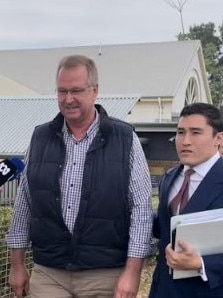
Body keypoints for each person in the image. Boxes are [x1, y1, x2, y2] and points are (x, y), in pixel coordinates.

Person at [6, 54, 153, 298]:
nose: (68, 99)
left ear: (95, 91)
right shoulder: (40, 137)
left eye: (76, 90)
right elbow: (25, 203)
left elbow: (141, 210)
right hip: (49, 273)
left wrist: (132, 272)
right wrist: (18, 265)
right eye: (62, 91)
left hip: (104, 274)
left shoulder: (125, 139)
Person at [149, 102, 223, 298]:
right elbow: (164, 229)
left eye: (196, 132)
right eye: (181, 132)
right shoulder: (170, 178)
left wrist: (202, 264)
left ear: (218, 139)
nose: (185, 141)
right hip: (164, 290)